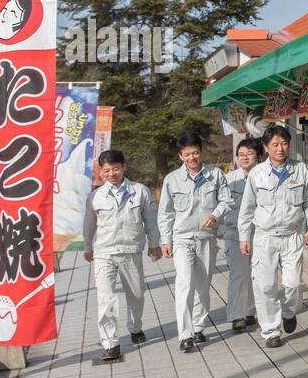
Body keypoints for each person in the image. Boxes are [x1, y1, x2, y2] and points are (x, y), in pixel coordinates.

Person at [238, 125, 308, 348]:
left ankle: (289, 311)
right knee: (266, 286)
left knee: (293, 284)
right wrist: (244, 237)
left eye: (284, 143)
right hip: (264, 237)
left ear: (289, 145)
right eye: (275, 144)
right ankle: (271, 331)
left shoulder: (300, 169)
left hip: (292, 236)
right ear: (265, 148)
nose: (280, 148)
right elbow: (247, 209)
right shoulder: (257, 174)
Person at [82, 149, 162, 362]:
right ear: (101, 172)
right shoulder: (95, 196)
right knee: (105, 298)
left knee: (136, 294)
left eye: (115, 168)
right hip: (104, 252)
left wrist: (155, 244)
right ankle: (110, 343)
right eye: (106, 170)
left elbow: (151, 220)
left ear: (124, 167)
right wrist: (87, 247)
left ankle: (135, 328)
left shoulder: (139, 191)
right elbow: (89, 224)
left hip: (130, 250)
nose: (111, 173)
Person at [158, 132, 232, 352]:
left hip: (206, 238)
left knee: (202, 284)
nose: (192, 157)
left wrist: (216, 214)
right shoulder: (172, 180)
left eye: (195, 153)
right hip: (182, 238)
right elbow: (165, 213)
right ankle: (185, 334)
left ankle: (198, 326)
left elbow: (227, 201)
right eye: (187, 154)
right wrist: (166, 240)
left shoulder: (216, 175)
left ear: (201, 152)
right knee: (184, 283)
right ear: (180, 156)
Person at [221, 137, 263, 333]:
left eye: (250, 153)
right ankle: (237, 315)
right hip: (235, 234)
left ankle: (250, 311)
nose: (245, 157)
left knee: (257, 275)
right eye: (241, 154)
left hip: (260, 234)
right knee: (238, 274)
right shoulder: (229, 179)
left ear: (259, 155)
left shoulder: (265, 176)